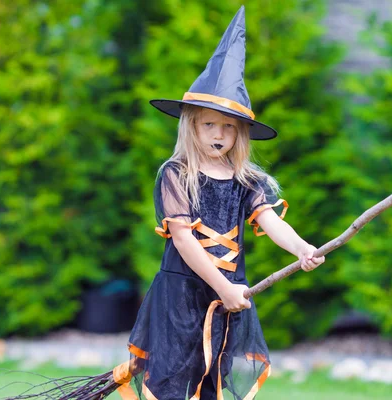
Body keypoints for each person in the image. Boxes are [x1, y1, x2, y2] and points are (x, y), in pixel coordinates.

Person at [123, 6, 325, 400]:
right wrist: (223, 285)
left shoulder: (248, 181)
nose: (219, 134)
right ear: (190, 125)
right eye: (208, 124)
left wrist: (302, 248)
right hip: (181, 299)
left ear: (241, 135)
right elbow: (184, 241)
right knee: (171, 380)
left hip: (226, 300)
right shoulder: (175, 175)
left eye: (229, 128)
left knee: (214, 378)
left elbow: (270, 221)